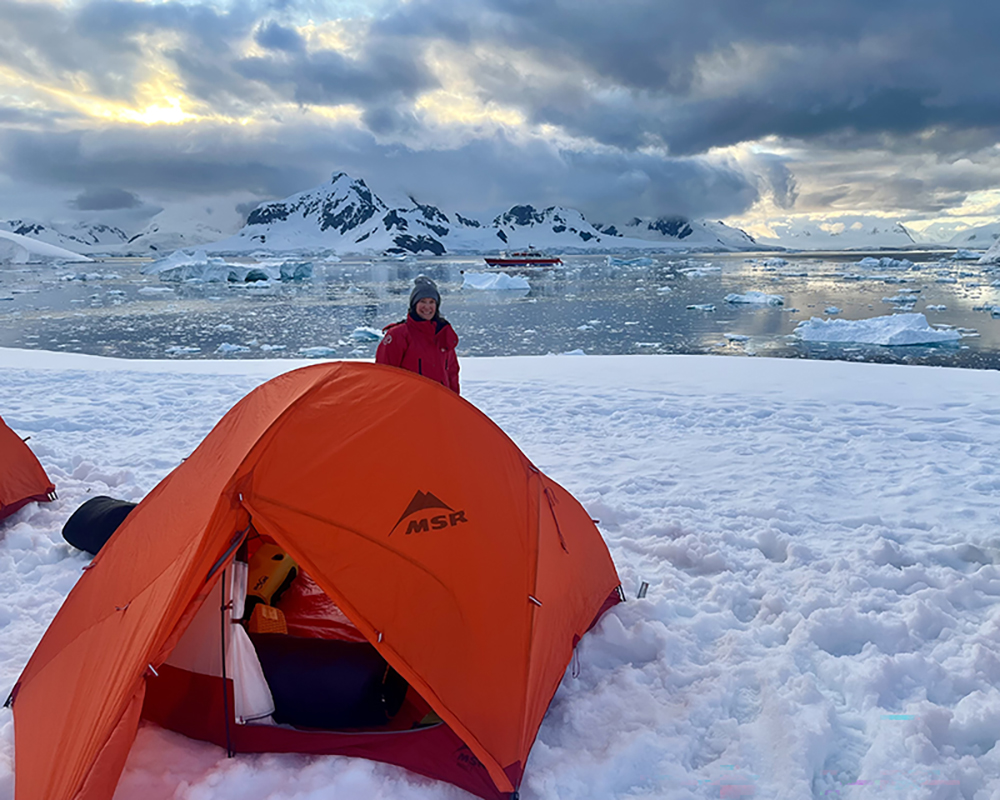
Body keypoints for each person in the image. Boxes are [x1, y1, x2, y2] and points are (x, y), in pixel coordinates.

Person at [375, 276, 460, 394]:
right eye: (422, 301)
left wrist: (454, 401)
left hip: (440, 402)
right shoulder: (399, 334)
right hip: (409, 402)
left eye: (431, 302)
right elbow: (384, 373)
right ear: (414, 304)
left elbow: (452, 372)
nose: (427, 307)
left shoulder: (443, 333)